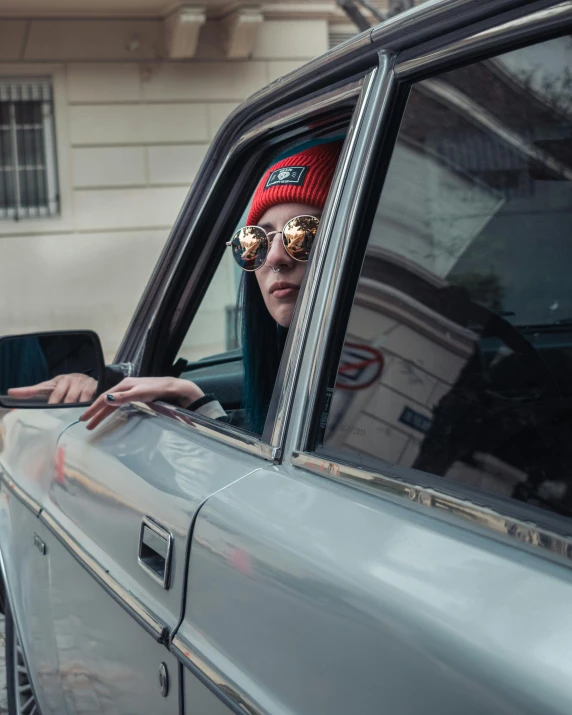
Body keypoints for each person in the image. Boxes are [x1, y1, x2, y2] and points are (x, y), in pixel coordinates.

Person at [9, 142, 342, 433]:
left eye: (303, 235)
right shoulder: (303, 373)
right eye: (256, 241)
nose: (275, 258)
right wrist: (190, 397)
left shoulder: (361, 388)